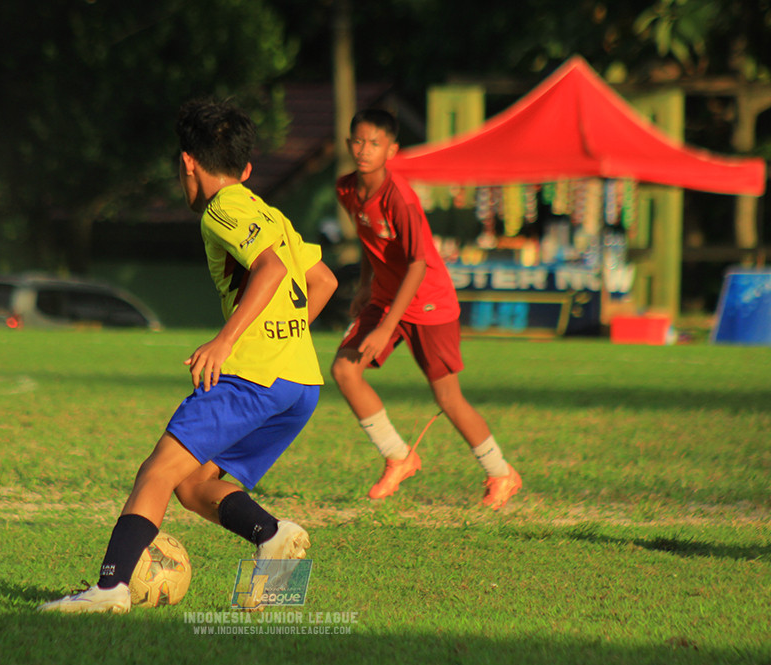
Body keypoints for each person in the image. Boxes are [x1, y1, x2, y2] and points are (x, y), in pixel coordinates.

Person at [39, 98, 337, 614]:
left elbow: (268, 270)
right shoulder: (273, 214)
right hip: (300, 383)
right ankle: (273, 536)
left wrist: (229, 341)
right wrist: (283, 337)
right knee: (193, 484)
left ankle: (108, 591)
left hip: (252, 375)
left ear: (187, 164)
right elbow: (323, 280)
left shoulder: (224, 209)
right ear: (245, 168)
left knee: (156, 471)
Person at [331, 109, 522, 508]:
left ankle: (501, 472)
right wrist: (366, 286)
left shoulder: (399, 198)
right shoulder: (347, 189)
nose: (365, 150)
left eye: (376, 143)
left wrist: (386, 327)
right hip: (386, 296)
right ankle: (398, 456)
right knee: (345, 370)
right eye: (359, 141)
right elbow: (370, 241)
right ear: (349, 144)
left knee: (448, 398)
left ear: (392, 150)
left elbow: (418, 263)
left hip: (429, 302)